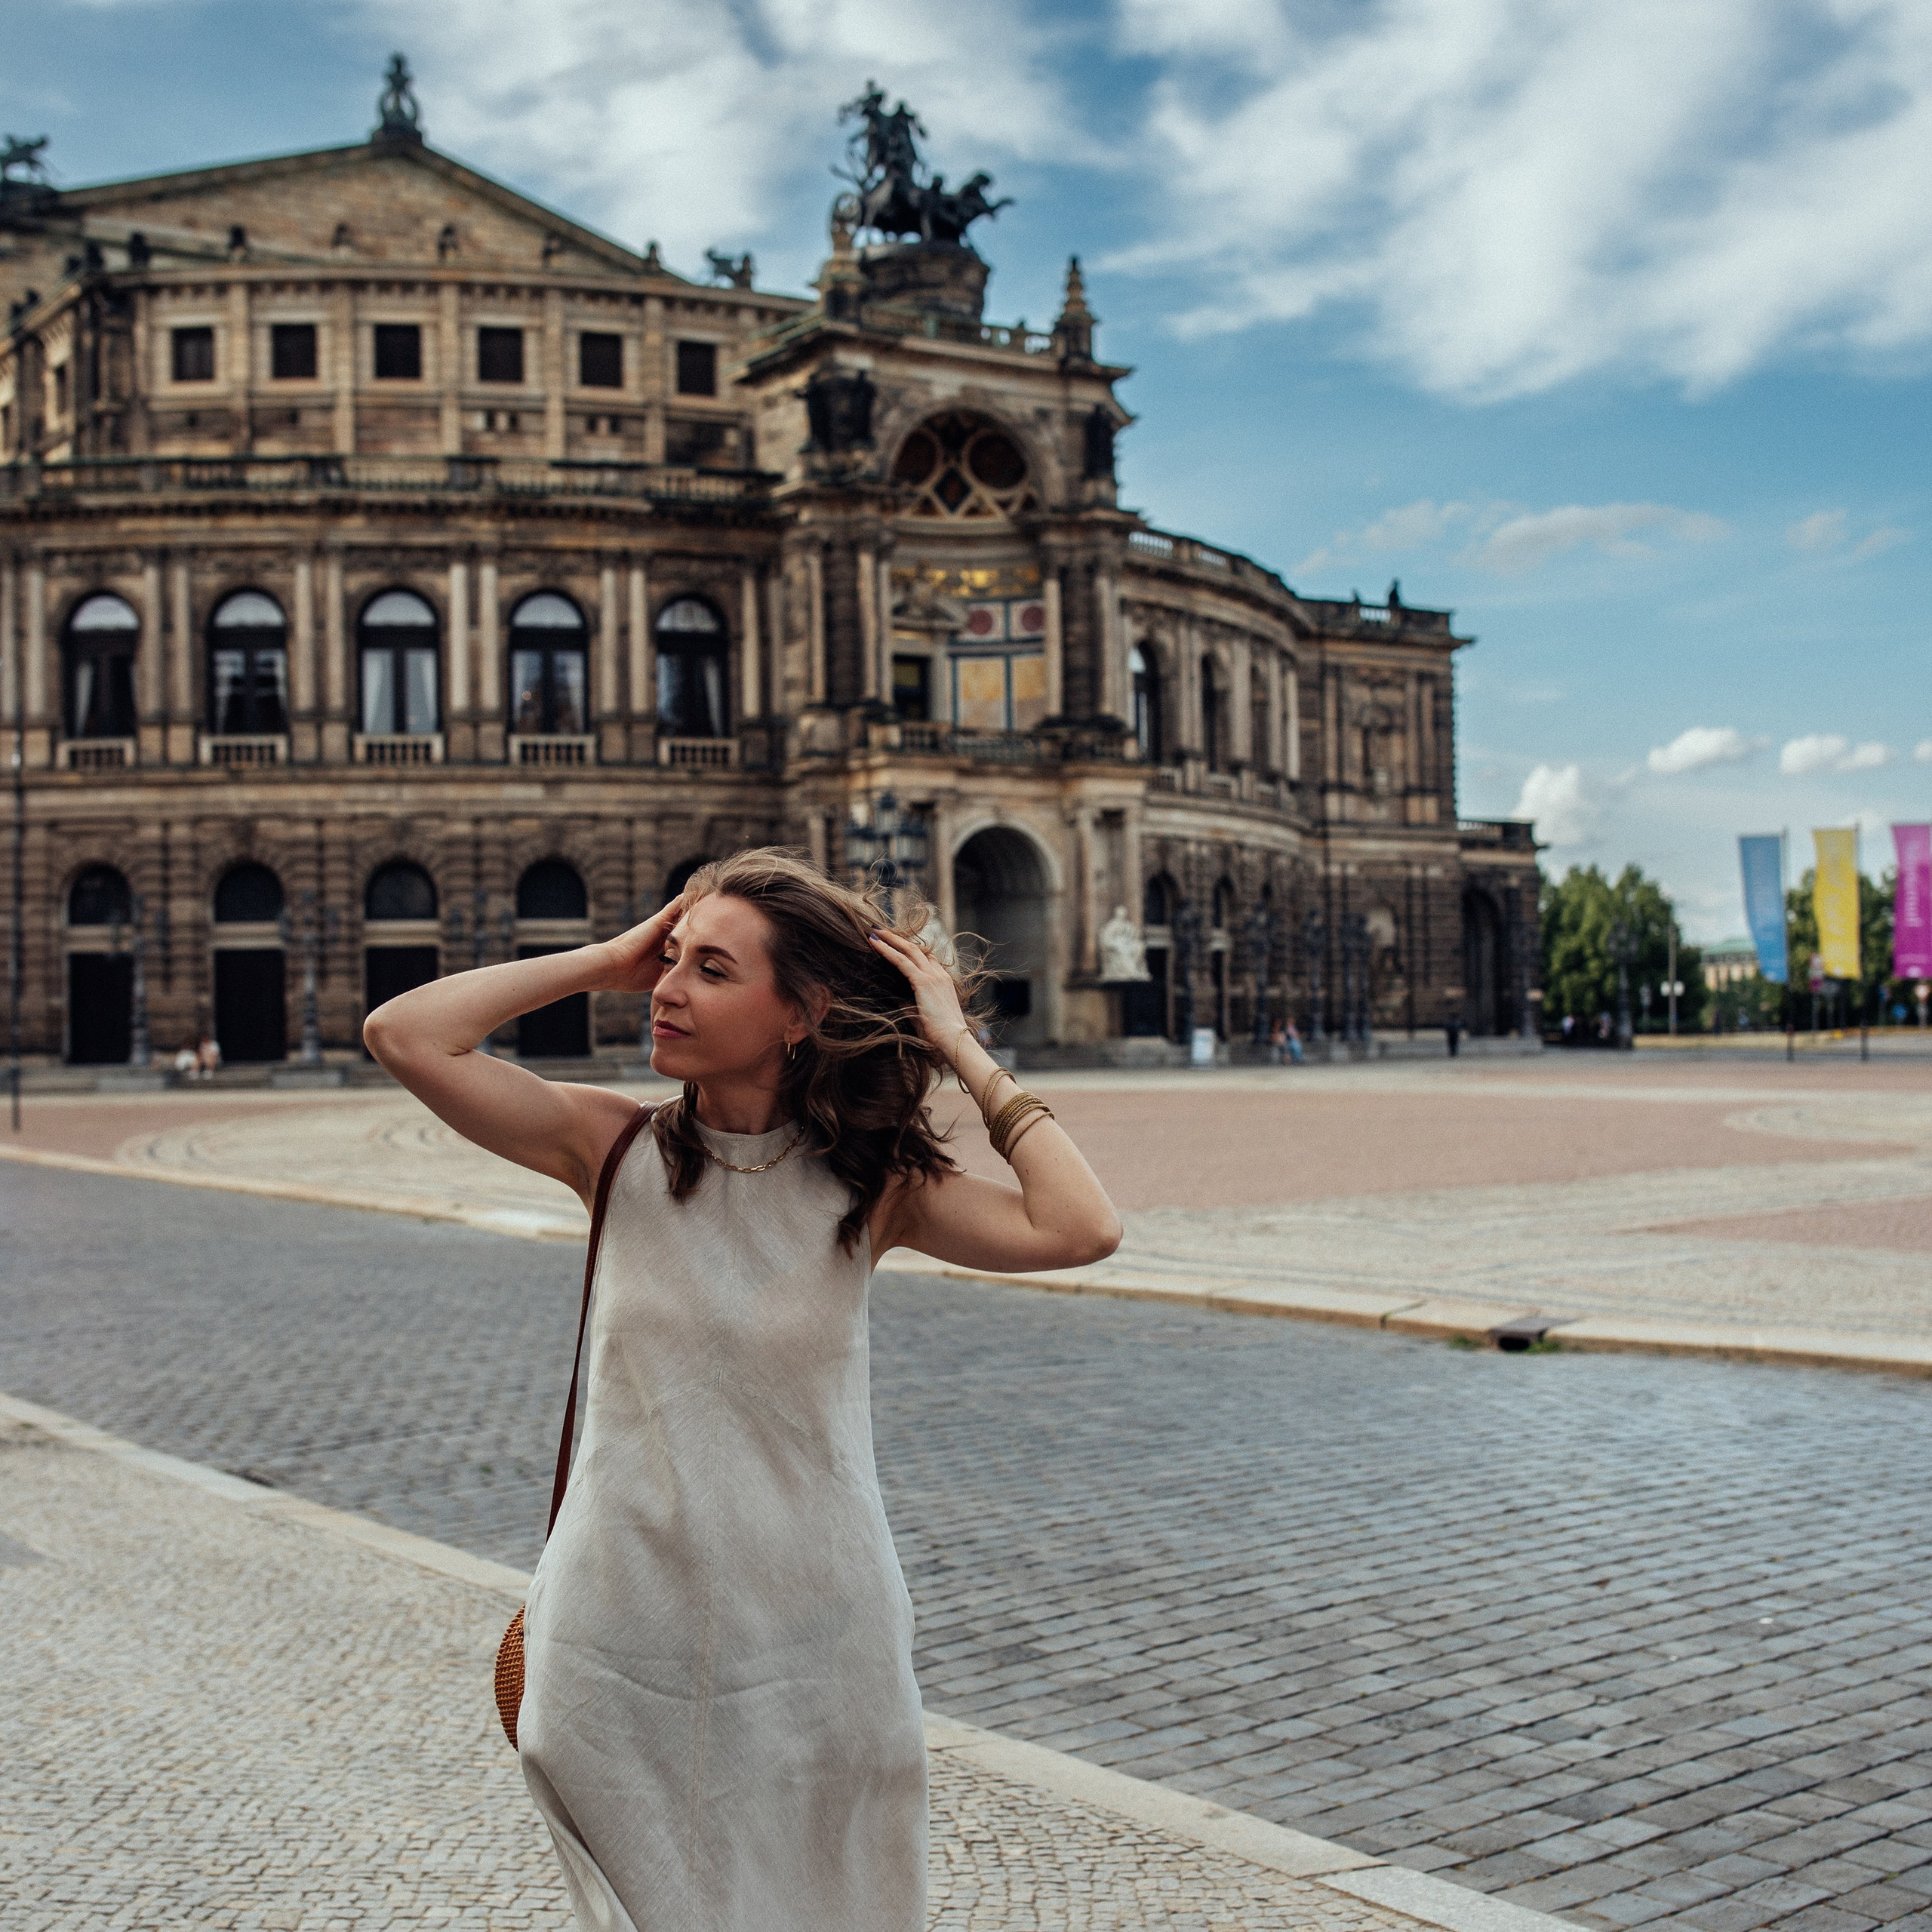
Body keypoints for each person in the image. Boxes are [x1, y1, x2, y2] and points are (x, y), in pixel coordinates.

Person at [363, 849, 1121, 1932]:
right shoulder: (608, 1146)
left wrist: (958, 1044)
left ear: (802, 1013)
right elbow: (404, 1035)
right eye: (671, 960)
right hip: (615, 1636)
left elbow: (1080, 1227)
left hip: (819, 1637)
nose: (669, 988)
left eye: (711, 970)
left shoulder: (876, 1189)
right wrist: (607, 960)